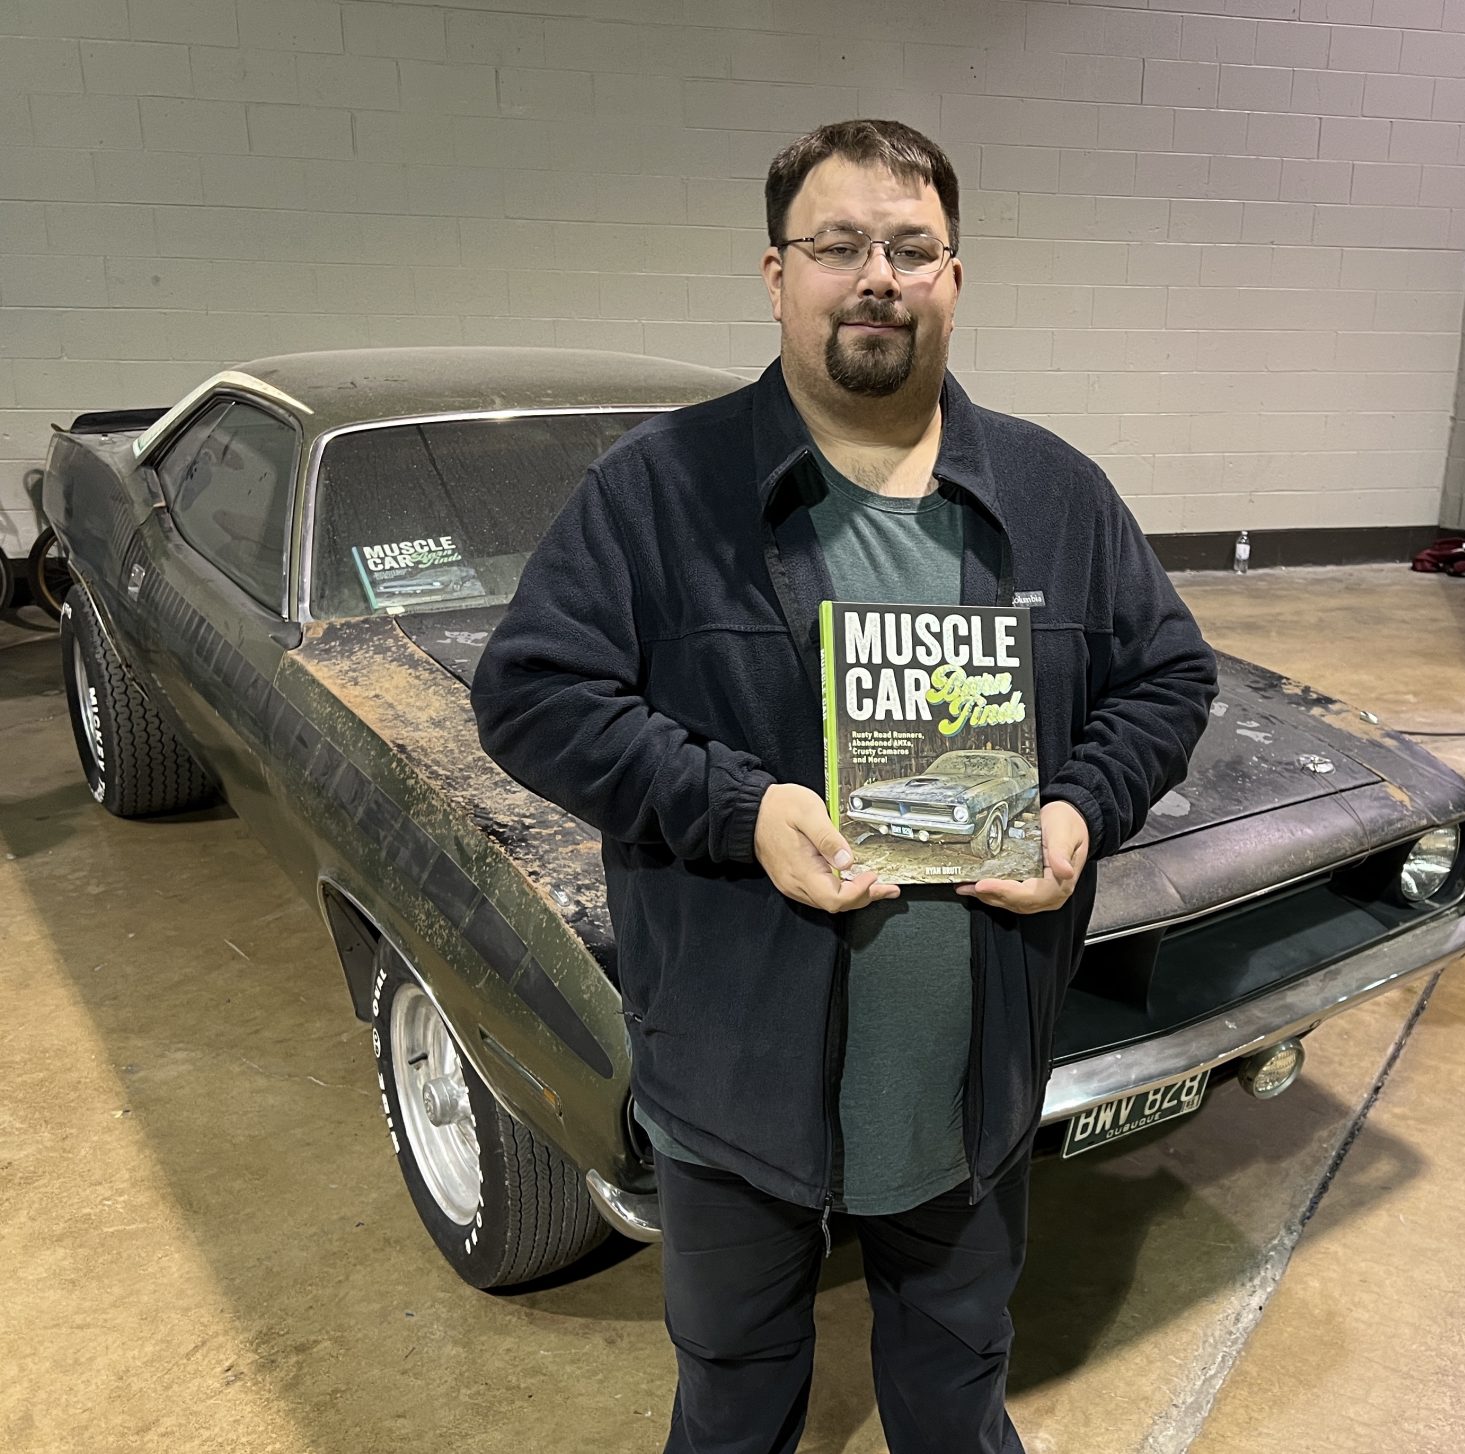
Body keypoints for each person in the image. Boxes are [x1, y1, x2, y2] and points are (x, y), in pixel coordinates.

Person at [472, 118, 1216, 1454]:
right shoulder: (657, 490)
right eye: (839, 244)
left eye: (911, 246)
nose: (877, 273)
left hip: (968, 1090)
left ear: (953, 277)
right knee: (735, 1395)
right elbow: (529, 693)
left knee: (953, 1390)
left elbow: (1168, 677)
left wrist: (1077, 808)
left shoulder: (1056, 494)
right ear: (777, 275)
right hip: (735, 1092)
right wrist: (738, 806)